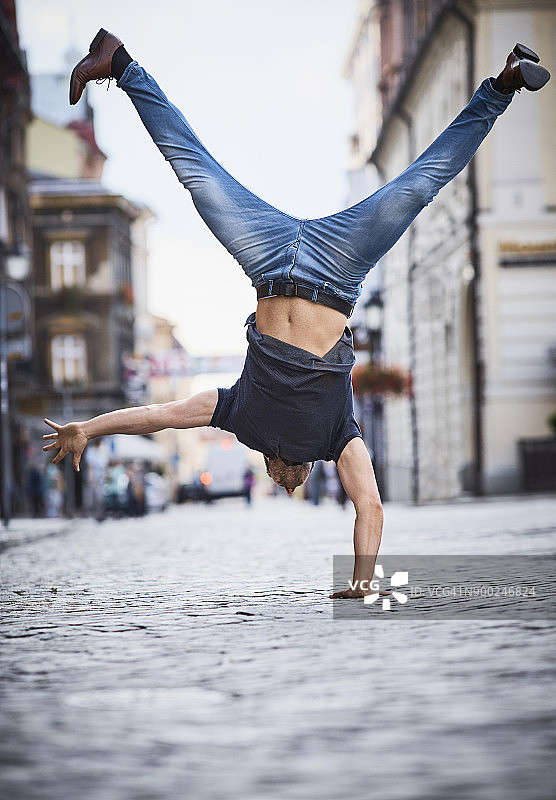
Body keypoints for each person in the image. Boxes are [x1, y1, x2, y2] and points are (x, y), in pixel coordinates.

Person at [43, 31, 550, 598]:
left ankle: (502, 86)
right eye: (289, 481)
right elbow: (160, 414)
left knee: (415, 185)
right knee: (200, 171)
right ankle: (504, 84)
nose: (288, 480)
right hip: (316, 266)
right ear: (290, 469)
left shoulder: (277, 424)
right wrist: (87, 428)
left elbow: (368, 507)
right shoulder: (291, 427)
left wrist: (89, 426)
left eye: (285, 480)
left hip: (295, 264)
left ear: (287, 469)